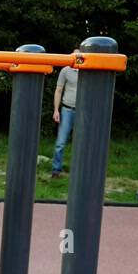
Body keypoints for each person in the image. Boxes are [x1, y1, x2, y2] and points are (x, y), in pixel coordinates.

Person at [51, 49, 80, 179]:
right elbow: (58, 90)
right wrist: (56, 110)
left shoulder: (87, 71)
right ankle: (56, 170)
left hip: (83, 111)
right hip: (67, 109)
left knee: (81, 143)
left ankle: (79, 170)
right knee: (61, 142)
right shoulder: (65, 70)